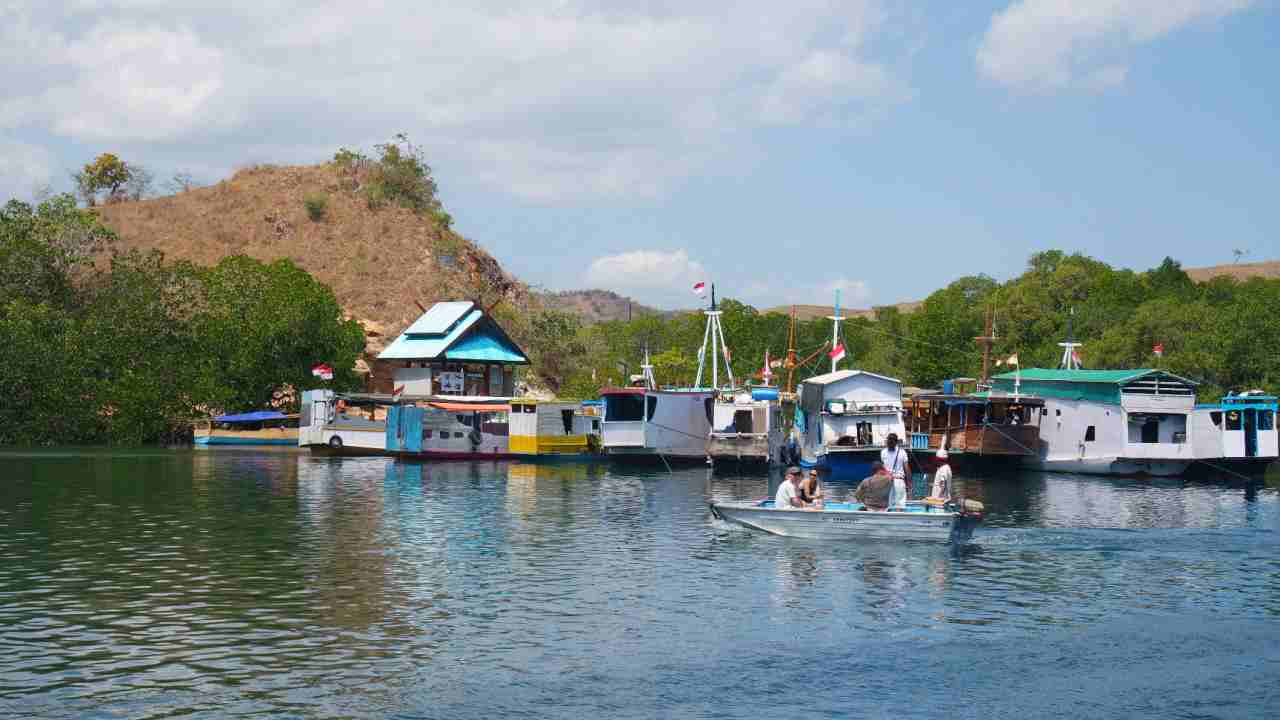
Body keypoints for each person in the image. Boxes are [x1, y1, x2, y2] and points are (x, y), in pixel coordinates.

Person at [881, 432, 910, 510]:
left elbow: (882, 468)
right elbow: (906, 469)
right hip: (899, 481)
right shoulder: (902, 452)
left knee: (888, 503)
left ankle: (888, 518)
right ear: (896, 442)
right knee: (900, 504)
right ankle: (899, 517)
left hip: (887, 480)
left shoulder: (883, 452)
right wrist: (909, 483)